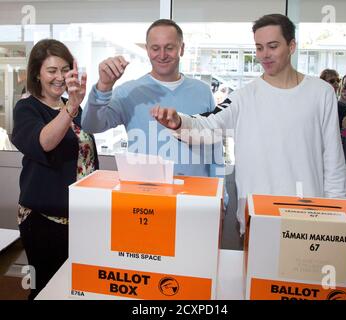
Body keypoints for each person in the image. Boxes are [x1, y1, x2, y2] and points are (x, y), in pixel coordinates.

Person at [151, 13, 346, 235]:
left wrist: (338, 214)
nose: (265, 55)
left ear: (291, 46)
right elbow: (207, 127)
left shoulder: (320, 93)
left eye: (272, 46)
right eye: (259, 47)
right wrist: (179, 122)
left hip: (309, 220)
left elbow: (333, 159)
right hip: (257, 219)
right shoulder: (243, 97)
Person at [81, 19, 228, 203]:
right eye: (155, 48)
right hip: (145, 200)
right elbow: (91, 125)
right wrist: (103, 87)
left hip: (196, 199)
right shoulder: (128, 91)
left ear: (181, 48)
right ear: (148, 50)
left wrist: (222, 195)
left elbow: (214, 147)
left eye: (170, 47)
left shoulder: (203, 91)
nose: (162, 55)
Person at [11, 39, 99, 299]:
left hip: (80, 217)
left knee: (75, 288)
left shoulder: (73, 106)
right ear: (37, 74)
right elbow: (44, 142)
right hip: (44, 220)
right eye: (52, 71)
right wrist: (71, 107)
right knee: (46, 288)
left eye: (64, 69)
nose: (59, 77)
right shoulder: (27, 107)